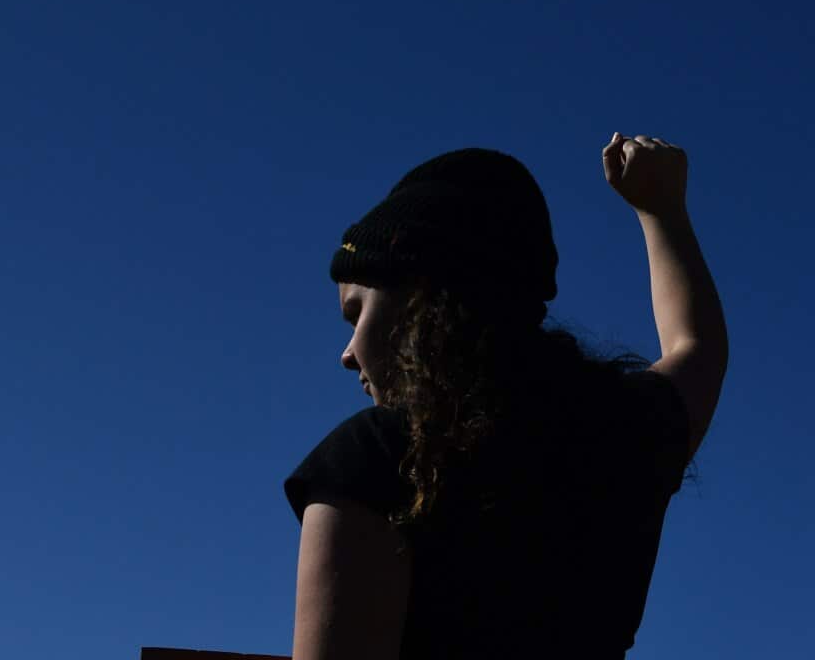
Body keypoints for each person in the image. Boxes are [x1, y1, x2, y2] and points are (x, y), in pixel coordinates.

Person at [284, 134, 728, 659]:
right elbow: (696, 348)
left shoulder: (378, 458)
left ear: (423, 304)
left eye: (358, 312)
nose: (348, 353)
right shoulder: (621, 442)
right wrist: (662, 209)